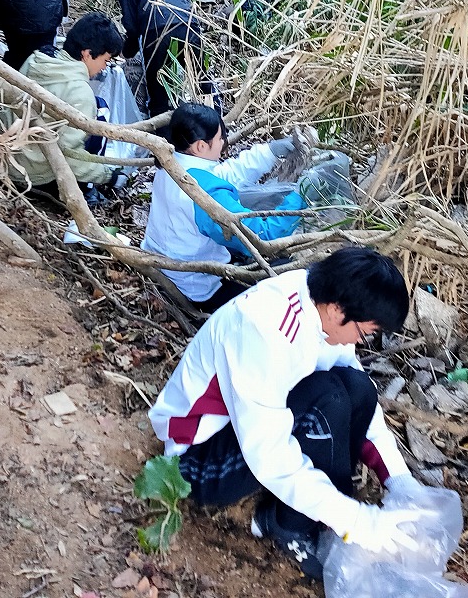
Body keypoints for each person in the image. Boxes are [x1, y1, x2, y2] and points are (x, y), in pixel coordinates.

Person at [148, 246, 428, 580]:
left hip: (246, 431)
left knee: (357, 387)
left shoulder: (318, 304)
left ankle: (321, 514)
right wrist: (356, 521)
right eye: (366, 332)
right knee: (328, 399)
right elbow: (268, 455)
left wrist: (398, 479)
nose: (363, 341)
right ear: (339, 310)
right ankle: (292, 525)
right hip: (194, 462)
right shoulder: (264, 331)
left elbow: (356, 388)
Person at [142, 102, 306, 309]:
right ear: (200, 146)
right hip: (197, 287)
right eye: (220, 138)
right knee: (289, 275)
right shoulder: (204, 192)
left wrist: (269, 152)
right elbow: (260, 237)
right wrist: (299, 198)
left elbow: (222, 175)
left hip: (163, 262)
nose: (224, 142)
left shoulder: (170, 162)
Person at [9, 13, 128, 191]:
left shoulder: (37, 58)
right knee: (101, 110)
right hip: (37, 176)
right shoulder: (80, 93)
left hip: (8, 159)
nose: (105, 67)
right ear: (87, 54)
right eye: (106, 60)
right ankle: (87, 188)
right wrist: (109, 177)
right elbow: (70, 156)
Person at [119, 0, 203, 117]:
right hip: (189, 26)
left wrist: (125, 52)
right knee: (201, 82)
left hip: (157, 33)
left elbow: (132, 28)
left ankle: (163, 139)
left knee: (158, 95)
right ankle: (217, 129)